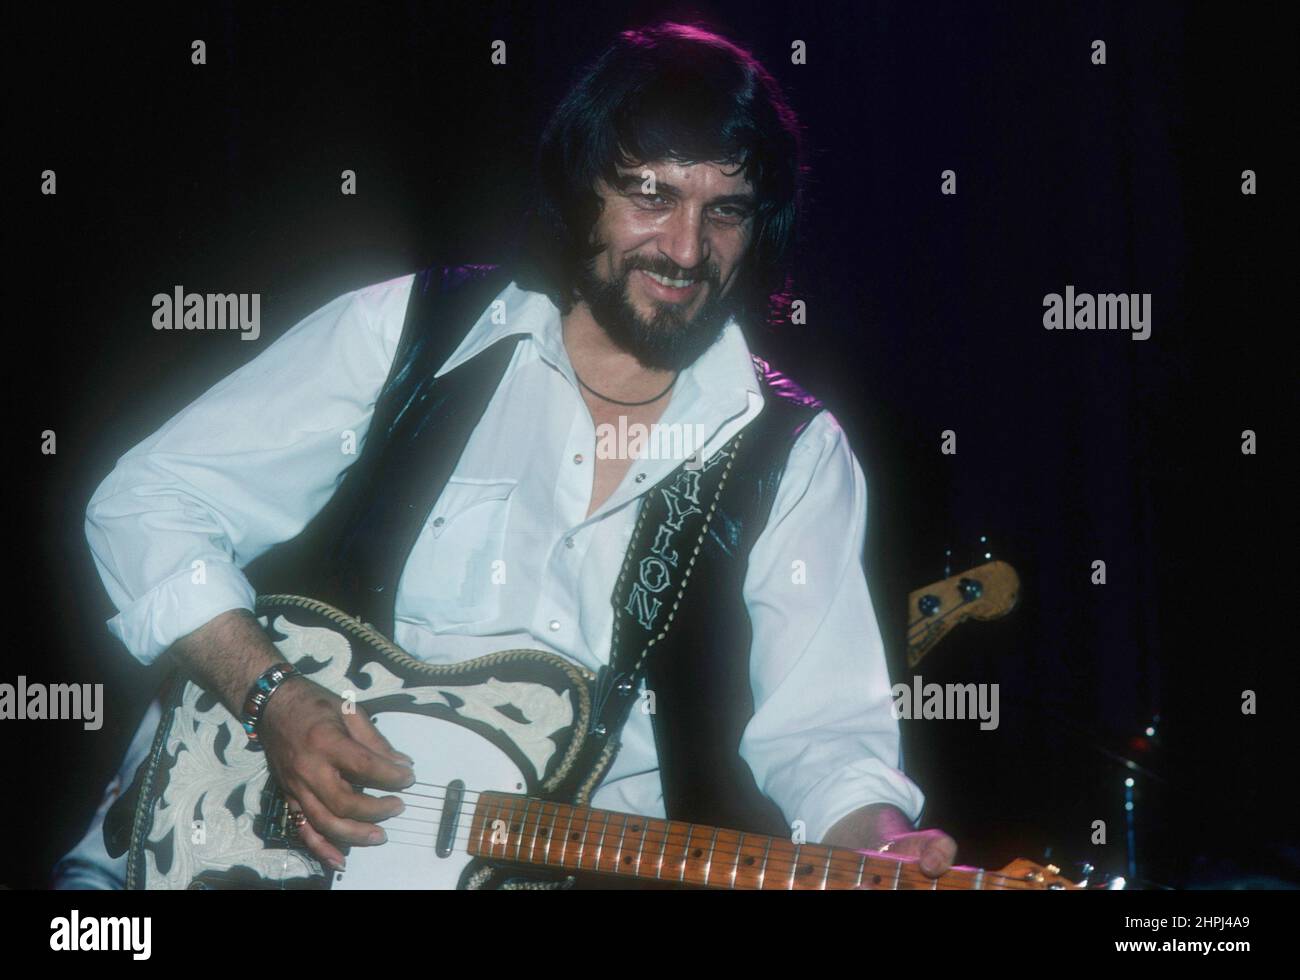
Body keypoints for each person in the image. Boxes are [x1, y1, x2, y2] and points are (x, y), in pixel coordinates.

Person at [58, 21, 956, 889]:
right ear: (582, 190)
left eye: (725, 211)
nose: (687, 248)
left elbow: (827, 743)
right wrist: (276, 703)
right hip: (207, 835)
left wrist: (881, 847)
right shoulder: (411, 335)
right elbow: (145, 503)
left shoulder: (793, 452)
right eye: (650, 194)